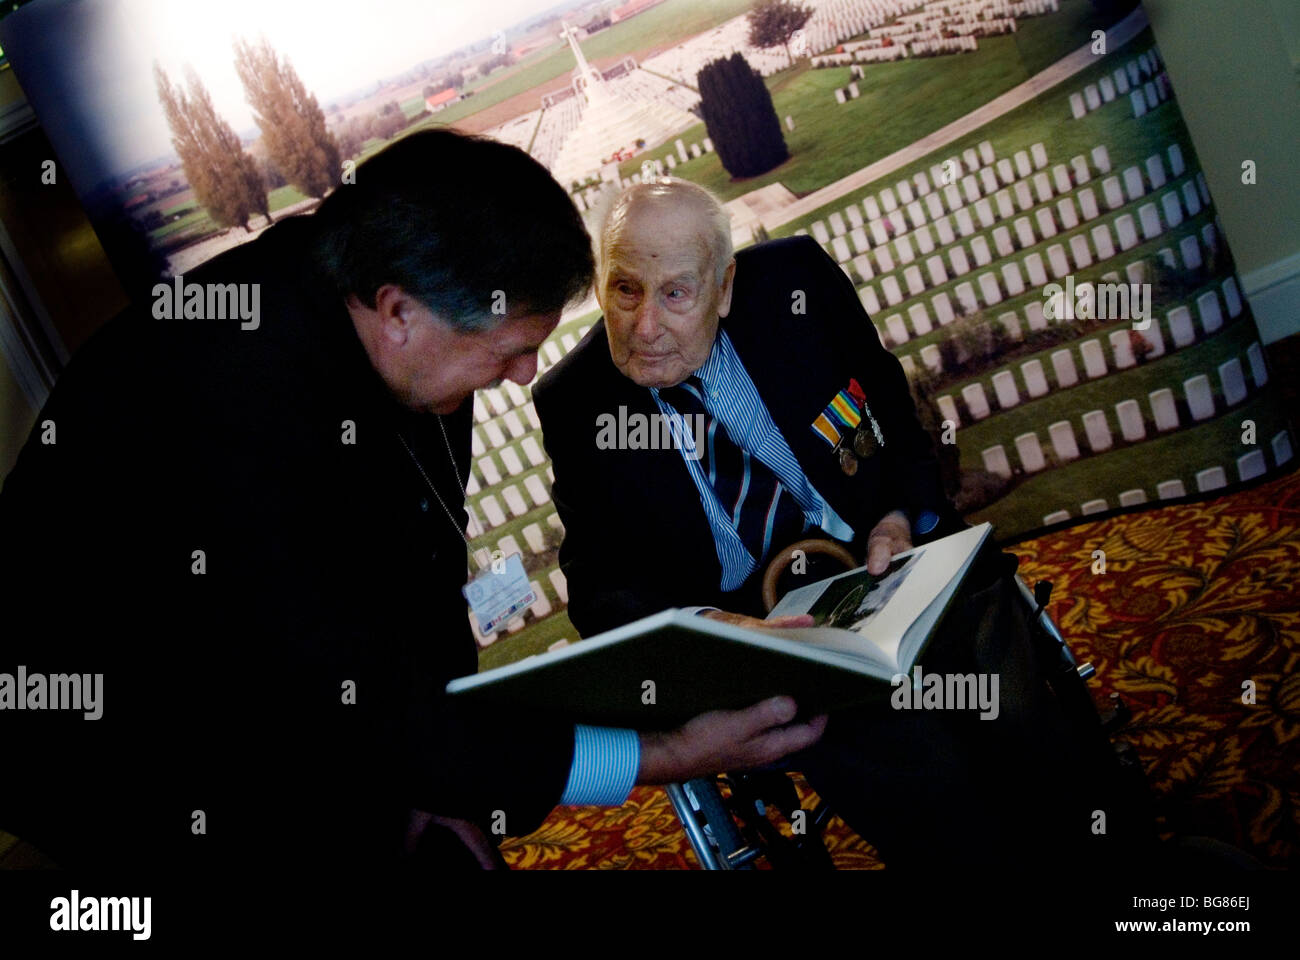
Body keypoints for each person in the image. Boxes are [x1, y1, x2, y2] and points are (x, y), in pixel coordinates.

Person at [0, 133, 824, 872]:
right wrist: (662, 751)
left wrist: (444, 778)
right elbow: (338, 684)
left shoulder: (408, 323)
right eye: (510, 353)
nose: (526, 375)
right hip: (127, 738)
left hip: (298, 690)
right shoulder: (234, 405)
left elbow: (427, 565)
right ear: (397, 314)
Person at [534, 179, 1140, 870]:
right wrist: (709, 627)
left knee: (999, 673)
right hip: (756, 626)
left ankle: (1100, 836)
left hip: (882, 555)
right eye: (625, 290)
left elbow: (892, 403)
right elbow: (599, 587)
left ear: (724, 288)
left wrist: (896, 513)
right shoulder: (574, 401)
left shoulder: (795, 285)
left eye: (676, 293)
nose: (645, 326)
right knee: (906, 751)